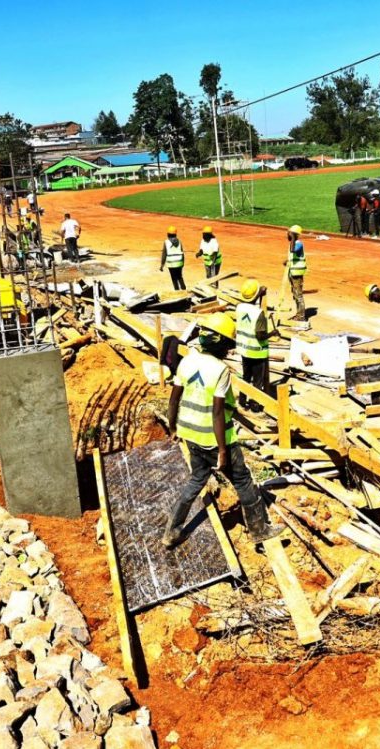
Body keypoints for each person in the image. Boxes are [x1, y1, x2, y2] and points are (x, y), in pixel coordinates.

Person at [161, 313, 284, 548]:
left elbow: (173, 400)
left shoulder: (187, 361)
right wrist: (222, 451)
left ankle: (172, 531)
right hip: (215, 438)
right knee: (243, 480)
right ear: (223, 345)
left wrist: (173, 427)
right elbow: (217, 412)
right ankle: (259, 529)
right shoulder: (220, 370)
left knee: (196, 479)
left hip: (190, 435)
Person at [235, 279, 272, 410]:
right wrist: (273, 333)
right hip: (257, 351)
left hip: (244, 349)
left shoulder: (239, 308)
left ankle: (242, 401)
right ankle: (255, 405)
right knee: (257, 380)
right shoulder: (258, 313)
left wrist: (258, 294)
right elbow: (260, 335)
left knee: (246, 376)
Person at [284, 224, 307, 321]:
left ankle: (301, 317)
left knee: (298, 295)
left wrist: (293, 237)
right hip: (292, 273)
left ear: (294, 235)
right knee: (295, 294)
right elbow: (294, 256)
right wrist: (288, 261)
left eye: (289, 234)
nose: (287, 235)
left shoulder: (298, 243)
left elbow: (293, 250)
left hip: (297, 274)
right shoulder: (293, 243)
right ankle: (298, 314)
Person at [159, 226, 186, 291]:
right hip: (179, 262)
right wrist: (182, 263)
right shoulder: (179, 241)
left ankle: (177, 291)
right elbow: (182, 253)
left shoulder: (166, 242)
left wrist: (162, 266)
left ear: (168, 234)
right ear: (175, 234)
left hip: (171, 264)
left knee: (174, 278)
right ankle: (184, 290)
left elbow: (164, 254)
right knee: (180, 277)